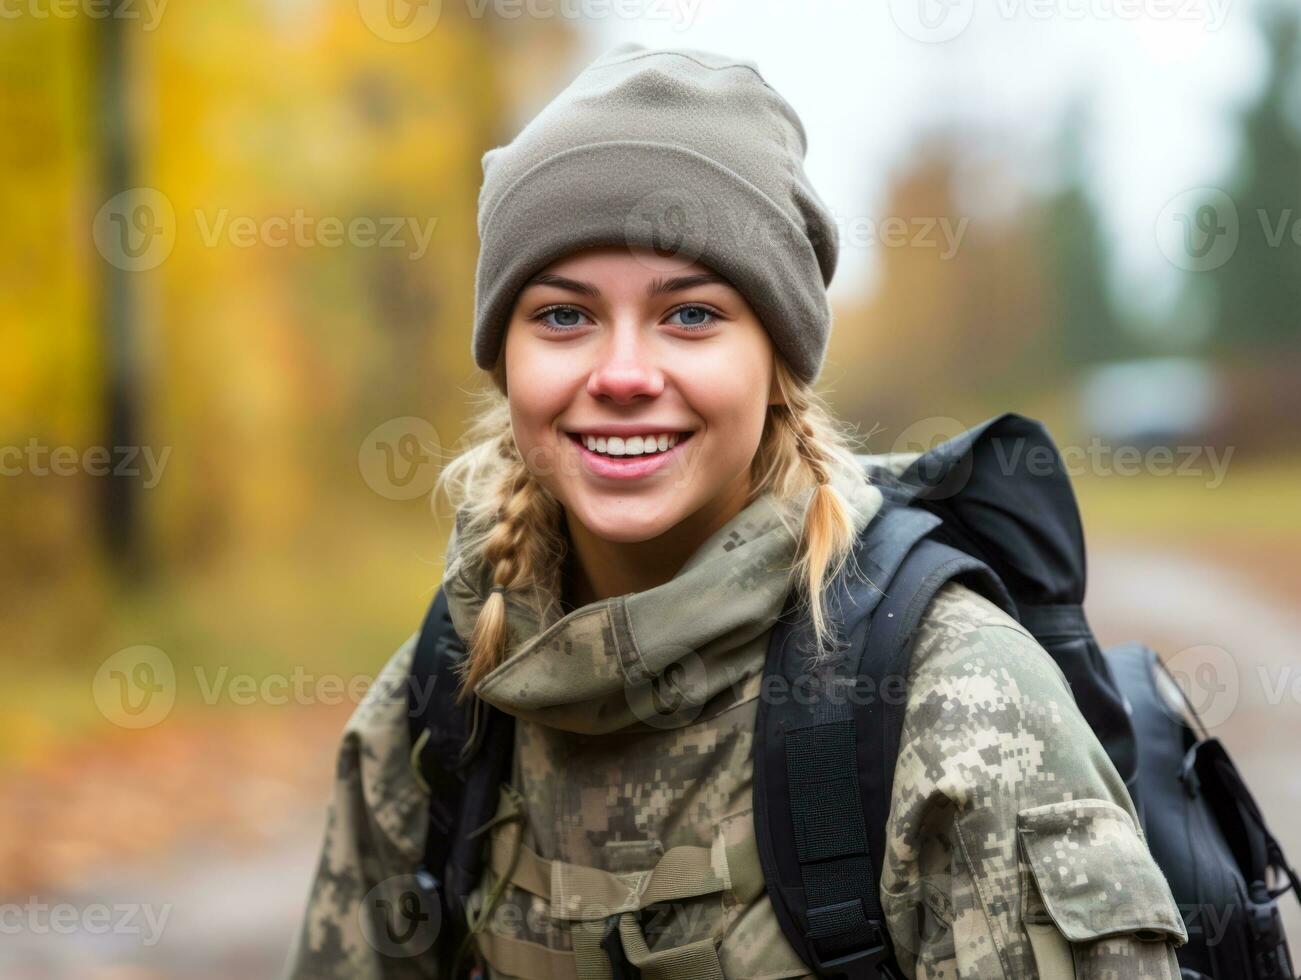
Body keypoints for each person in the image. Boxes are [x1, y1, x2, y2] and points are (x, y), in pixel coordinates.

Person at [283, 43, 1187, 979]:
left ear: (777, 359)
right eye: (562, 315)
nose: (623, 375)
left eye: (690, 315)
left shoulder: (946, 703)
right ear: (504, 355)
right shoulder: (443, 698)